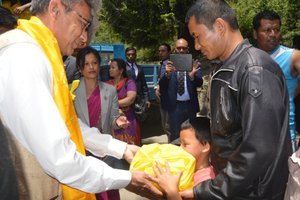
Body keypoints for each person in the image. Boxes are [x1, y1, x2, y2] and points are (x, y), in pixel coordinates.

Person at [0, 0, 161, 199]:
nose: (84, 38)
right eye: (83, 24)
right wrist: (127, 178)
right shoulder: (24, 56)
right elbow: (61, 160)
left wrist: (122, 148)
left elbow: (67, 125)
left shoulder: (40, 53)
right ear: (55, 8)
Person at [165, 0, 292, 199]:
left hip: (255, 192)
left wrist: (205, 191)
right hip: (234, 187)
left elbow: (258, 149)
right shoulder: (226, 67)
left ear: (220, 26)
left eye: (197, 36)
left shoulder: (254, 68)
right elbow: (227, 130)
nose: (196, 46)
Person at [73, 46, 131, 200]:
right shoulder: (70, 91)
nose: (91, 67)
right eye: (86, 64)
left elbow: (112, 119)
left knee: (108, 191)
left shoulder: (109, 90)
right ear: (80, 67)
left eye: (94, 63)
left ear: (99, 65)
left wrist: (118, 122)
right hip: (81, 151)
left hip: (104, 151)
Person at [253, 10, 300, 151]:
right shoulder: (248, 58)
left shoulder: (293, 56)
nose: (273, 34)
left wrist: (289, 93)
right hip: (254, 138)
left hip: (284, 137)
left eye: (277, 30)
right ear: (255, 33)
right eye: (267, 30)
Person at [150, 117, 216, 200]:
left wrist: (171, 191)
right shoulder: (183, 168)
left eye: (185, 144)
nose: (180, 148)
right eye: (180, 143)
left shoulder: (207, 182)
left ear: (205, 146)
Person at [159, 38, 202, 142]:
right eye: (179, 48)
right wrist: (167, 75)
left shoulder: (194, 64)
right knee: (175, 134)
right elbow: (162, 85)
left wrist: (192, 76)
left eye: (184, 48)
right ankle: (175, 157)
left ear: (188, 49)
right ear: (175, 49)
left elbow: (199, 83)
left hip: (190, 106)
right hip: (174, 107)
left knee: (191, 134)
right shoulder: (167, 65)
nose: (181, 50)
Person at [107, 58, 139, 145]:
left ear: (121, 70)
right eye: (110, 67)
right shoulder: (107, 84)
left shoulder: (129, 82)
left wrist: (113, 104)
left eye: (113, 68)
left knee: (128, 144)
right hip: (111, 119)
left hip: (127, 118)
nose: (110, 70)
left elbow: (130, 99)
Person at [155, 43, 171, 139]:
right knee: (164, 124)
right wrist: (157, 88)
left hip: (169, 98)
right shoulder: (161, 65)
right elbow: (159, 80)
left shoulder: (170, 65)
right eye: (159, 51)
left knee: (169, 125)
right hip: (162, 98)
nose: (161, 53)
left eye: (163, 51)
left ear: (169, 52)